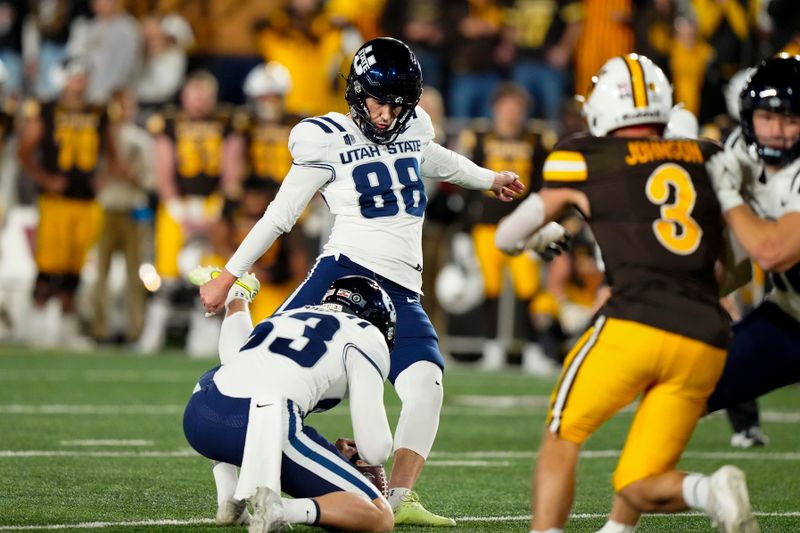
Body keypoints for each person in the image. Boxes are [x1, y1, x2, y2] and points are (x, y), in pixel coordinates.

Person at [196, 37, 524, 527]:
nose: (388, 115)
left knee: (426, 384)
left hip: (402, 289)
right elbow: (280, 216)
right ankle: (229, 477)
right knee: (254, 365)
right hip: (343, 270)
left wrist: (488, 177)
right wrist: (229, 274)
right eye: (378, 102)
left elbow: (436, 157)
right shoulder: (324, 138)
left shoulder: (413, 126)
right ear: (355, 93)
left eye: (398, 105)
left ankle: (399, 497)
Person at [494, 54, 759, 533]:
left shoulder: (584, 155)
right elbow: (740, 266)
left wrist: (538, 237)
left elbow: (505, 236)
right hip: (704, 338)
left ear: (601, 106)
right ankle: (710, 489)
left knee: (562, 434)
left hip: (634, 322)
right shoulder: (711, 156)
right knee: (639, 479)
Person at [183, 272, 395, 532]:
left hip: (199, 418)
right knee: (379, 514)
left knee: (220, 375)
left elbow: (231, 357)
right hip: (261, 423)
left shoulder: (287, 315)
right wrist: (353, 456)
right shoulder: (367, 336)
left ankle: (229, 498)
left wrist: (238, 297)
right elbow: (376, 450)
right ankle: (279, 510)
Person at [705, 54, 800, 427]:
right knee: (688, 390)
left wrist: (727, 195)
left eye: (791, 119)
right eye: (768, 117)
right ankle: (656, 484)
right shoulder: (740, 153)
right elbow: (737, 267)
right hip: (790, 316)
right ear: (748, 117)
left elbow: (772, 252)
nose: (778, 130)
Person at [17, 56, 115, 349]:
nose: (80, 82)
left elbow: (112, 153)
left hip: (86, 200)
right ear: (63, 78)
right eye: (75, 76)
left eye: (84, 76)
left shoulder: (99, 112)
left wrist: (105, 178)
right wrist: (45, 179)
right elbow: (23, 152)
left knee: (74, 266)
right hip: (56, 199)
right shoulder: (46, 109)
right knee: (48, 264)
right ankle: (35, 323)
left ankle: (66, 326)